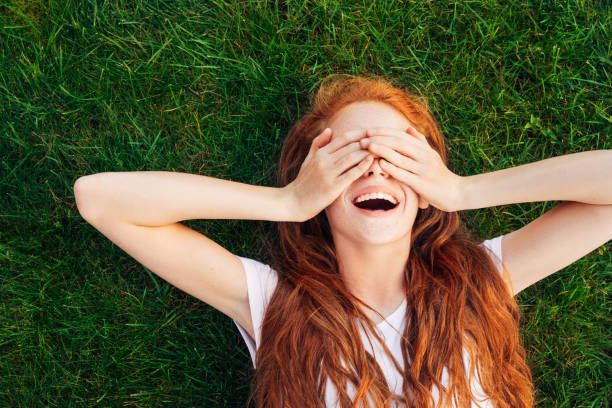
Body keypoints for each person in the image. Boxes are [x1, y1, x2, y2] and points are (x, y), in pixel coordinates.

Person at [73, 74, 612, 408]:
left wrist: (462, 190)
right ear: (319, 187)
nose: (374, 171)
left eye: (399, 159)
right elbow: (100, 199)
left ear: (422, 189)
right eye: (349, 159)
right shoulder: (273, 302)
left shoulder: (480, 280)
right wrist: (285, 202)